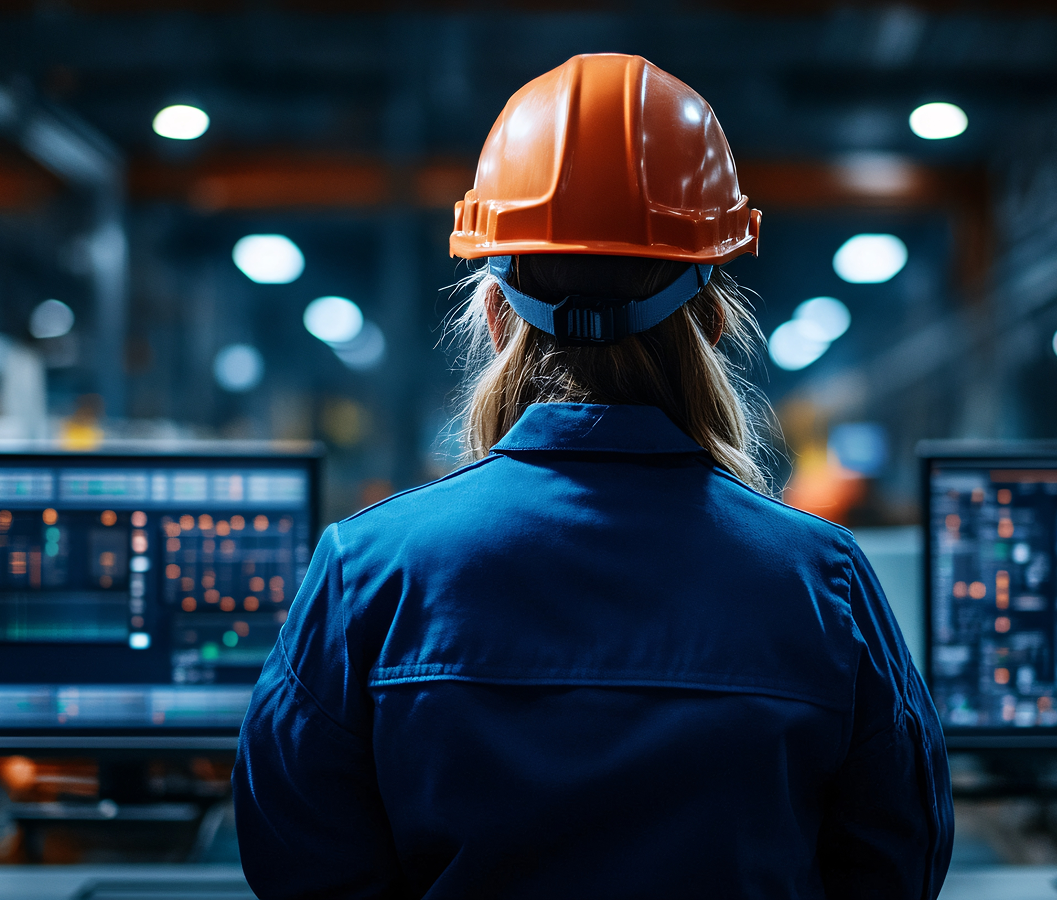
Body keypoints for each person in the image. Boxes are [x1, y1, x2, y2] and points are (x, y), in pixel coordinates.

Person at [233, 53, 953, 899]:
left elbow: (299, 868)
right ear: (714, 321)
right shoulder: (821, 584)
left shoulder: (368, 575)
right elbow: (896, 867)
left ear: (498, 313)